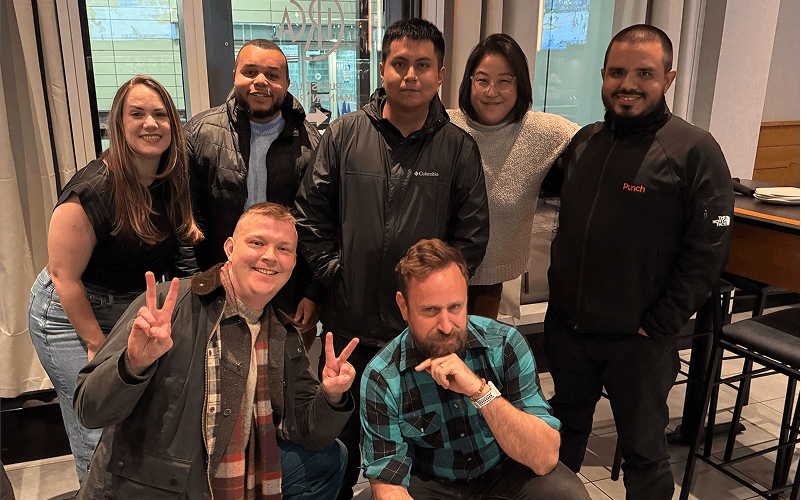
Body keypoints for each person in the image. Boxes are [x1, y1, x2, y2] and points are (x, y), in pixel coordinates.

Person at [293, 18, 490, 498]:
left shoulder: (459, 148)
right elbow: (310, 217)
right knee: (339, 446)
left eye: (423, 65)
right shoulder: (342, 136)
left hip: (422, 334)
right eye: (399, 64)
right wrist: (335, 276)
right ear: (382, 69)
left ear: (440, 74)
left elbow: (472, 238)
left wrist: (436, 302)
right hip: (351, 323)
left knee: (420, 449)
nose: (410, 75)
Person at [543, 25, 734, 500]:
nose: (628, 83)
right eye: (617, 72)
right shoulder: (583, 142)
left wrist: (663, 321)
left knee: (644, 453)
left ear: (668, 78)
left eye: (644, 73)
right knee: (558, 438)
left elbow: (708, 251)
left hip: (640, 341)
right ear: (602, 77)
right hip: (569, 330)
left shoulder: (694, 150)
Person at [73, 202, 358, 499]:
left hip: (230, 468)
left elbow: (308, 433)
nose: (270, 257)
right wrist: (133, 364)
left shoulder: (282, 335)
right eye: (257, 243)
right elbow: (89, 410)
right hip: (153, 486)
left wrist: (332, 395)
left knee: (330, 457)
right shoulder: (168, 305)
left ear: (293, 263)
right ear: (230, 248)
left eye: (284, 249)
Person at [27, 75, 203, 483]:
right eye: (137, 114)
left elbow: (181, 251)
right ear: (118, 125)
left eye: (161, 114)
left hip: (126, 309)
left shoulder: (169, 177)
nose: (150, 123)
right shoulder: (91, 190)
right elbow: (63, 276)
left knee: (128, 422)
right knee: (96, 426)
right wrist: (95, 345)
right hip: (70, 315)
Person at [360, 238, 589, 500]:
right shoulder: (382, 376)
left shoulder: (505, 344)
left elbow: (545, 457)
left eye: (455, 307)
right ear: (404, 306)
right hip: (429, 481)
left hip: (501, 472)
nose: (446, 326)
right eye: (430, 311)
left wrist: (480, 391)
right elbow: (389, 484)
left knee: (566, 493)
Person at [183, 39, 323, 348]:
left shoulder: (312, 143)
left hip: (288, 291)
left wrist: (313, 293)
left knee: (284, 383)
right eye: (250, 71)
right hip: (216, 285)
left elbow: (321, 226)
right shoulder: (199, 134)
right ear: (235, 75)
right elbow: (186, 222)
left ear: (286, 83)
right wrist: (193, 288)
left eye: (272, 75)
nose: (261, 81)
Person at [448, 33, 579, 319]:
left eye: (504, 81)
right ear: (468, 83)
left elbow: (593, 142)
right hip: (438, 273)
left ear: (520, 85)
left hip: (491, 278)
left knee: (477, 356)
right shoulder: (446, 126)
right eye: (482, 80)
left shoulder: (542, 131)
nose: (491, 91)